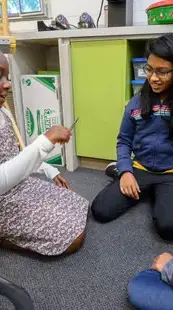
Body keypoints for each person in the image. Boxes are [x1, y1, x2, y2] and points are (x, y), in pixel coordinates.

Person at [91, 34, 173, 241]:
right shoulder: (136, 103)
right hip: (140, 168)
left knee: (170, 230)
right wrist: (127, 171)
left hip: (172, 172)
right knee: (100, 211)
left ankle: (156, 188)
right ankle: (119, 169)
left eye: (162, 72)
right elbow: (124, 141)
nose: (153, 77)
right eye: (149, 69)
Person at [0, 52, 89, 256]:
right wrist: (45, 141)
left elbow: (17, 154)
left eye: (7, 77)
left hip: (19, 184)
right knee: (72, 238)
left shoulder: (3, 112)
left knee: (78, 204)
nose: (7, 85)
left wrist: (49, 170)